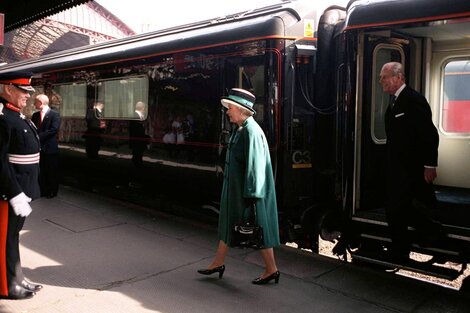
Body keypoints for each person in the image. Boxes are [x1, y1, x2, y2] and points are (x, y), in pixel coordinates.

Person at [197, 88, 280, 285]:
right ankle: (218, 262)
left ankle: (272, 269)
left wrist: (251, 197)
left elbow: (255, 167)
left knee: (257, 231)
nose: (227, 112)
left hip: (247, 194)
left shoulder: (251, 132)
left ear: (242, 110)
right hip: (235, 190)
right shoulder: (241, 128)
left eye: (230, 108)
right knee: (229, 225)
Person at [379, 62, 442, 262]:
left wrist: (430, 165)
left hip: (410, 169)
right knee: (396, 210)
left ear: (398, 78)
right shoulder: (395, 101)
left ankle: (410, 245)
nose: (381, 81)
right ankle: (401, 250)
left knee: (398, 209)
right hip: (397, 168)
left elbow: (429, 134)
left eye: (384, 76)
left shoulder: (414, 100)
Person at [0, 71, 43, 299]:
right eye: (23, 91)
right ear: (8, 88)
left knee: (13, 235)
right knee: (5, 237)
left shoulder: (16, 115)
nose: (27, 96)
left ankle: (17, 277)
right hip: (10, 191)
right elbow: (1, 161)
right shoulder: (2, 116)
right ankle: (6, 286)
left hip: (22, 188)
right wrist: (15, 193)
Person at [31, 94, 61, 198]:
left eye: (35, 102)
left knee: (51, 170)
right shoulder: (35, 115)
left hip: (50, 148)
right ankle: (42, 190)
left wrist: (38, 137)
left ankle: (52, 191)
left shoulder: (54, 115)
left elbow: (53, 130)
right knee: (41, 170)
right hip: (39, 148)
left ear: (41, 103)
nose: (34, 104)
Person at [129, 101, 149, 167]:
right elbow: (134, 127)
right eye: (144, 108)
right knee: (137, 152)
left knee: (139, 152)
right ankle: (137, 163)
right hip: (137, 138)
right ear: (142, 108)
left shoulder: (141, 115)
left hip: (140, 138)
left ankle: (138, 162)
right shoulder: (134, 115)